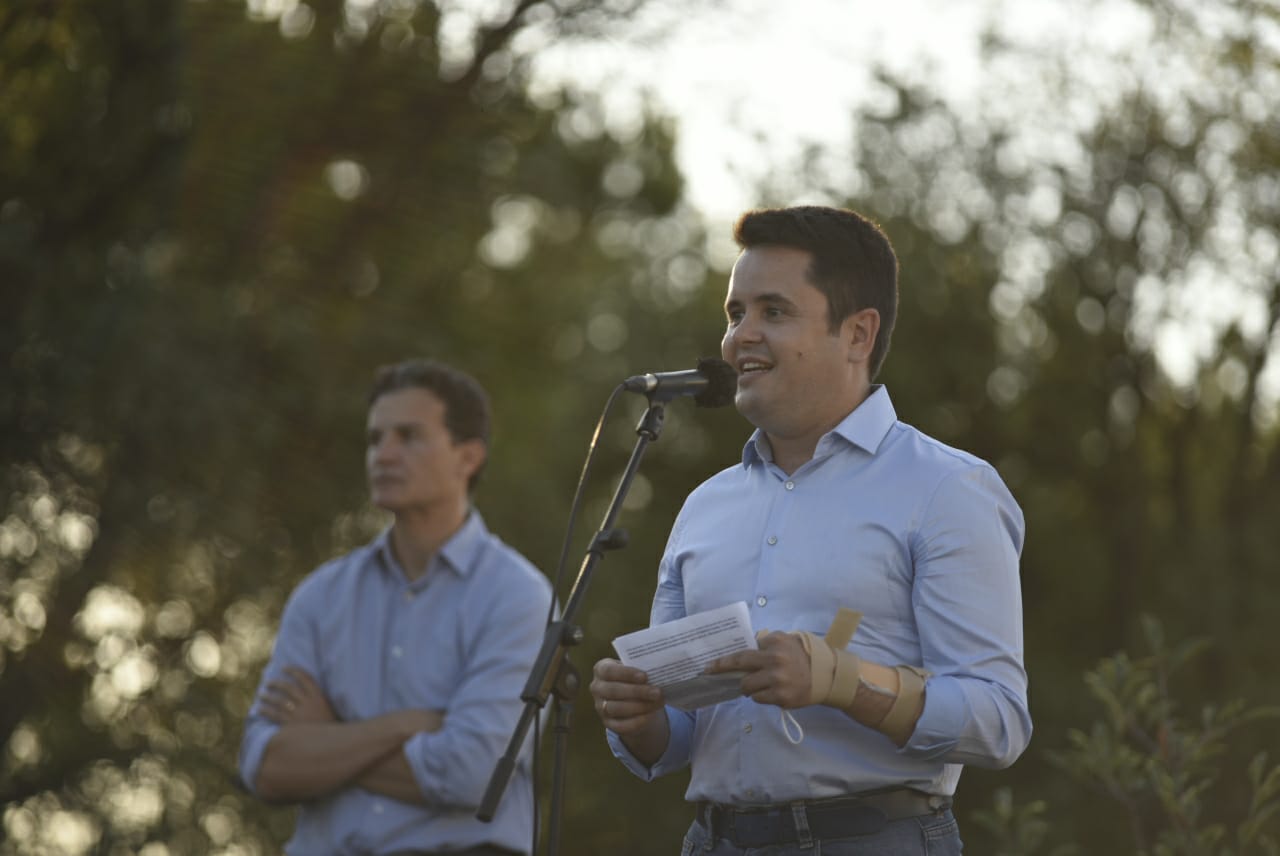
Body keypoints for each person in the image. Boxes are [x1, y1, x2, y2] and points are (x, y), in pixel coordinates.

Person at [589, 206, 1031, 854]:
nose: (741, 338)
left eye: (773, 311)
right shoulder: (704, 508)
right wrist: (640, 718)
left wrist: (840, 681)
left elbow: (997, 721)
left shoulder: (946, 490)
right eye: (735, 313)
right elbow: (680, 733)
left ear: (857, 334)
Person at [239, 359, 553, 856]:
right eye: (374, 438)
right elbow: (266, 767)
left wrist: (326, 739)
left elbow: (474, 774)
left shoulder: (518, 595)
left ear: (467, 457)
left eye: (408, 436)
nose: (382, 454)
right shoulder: (321, 595)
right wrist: (406, 726)